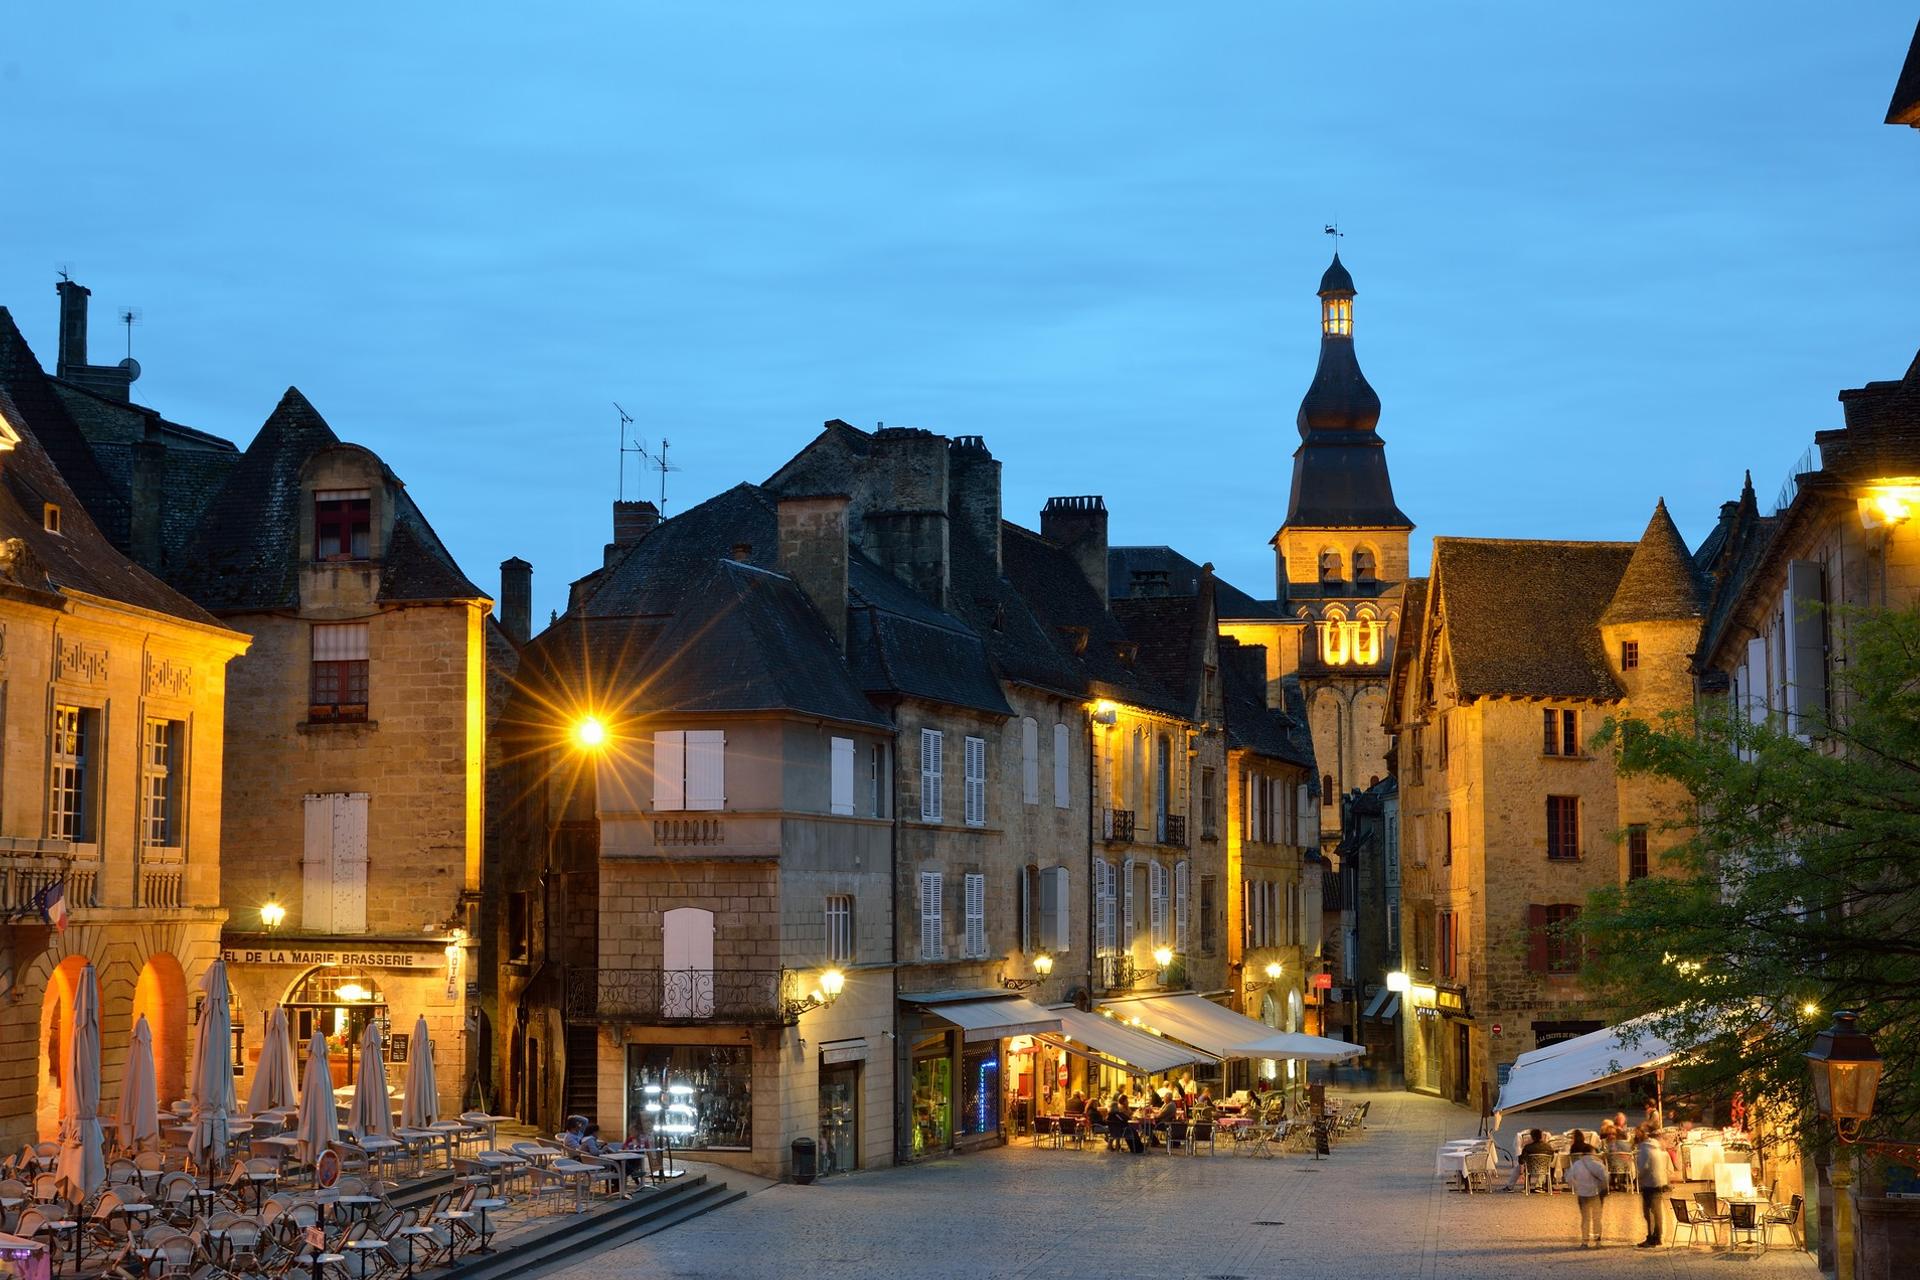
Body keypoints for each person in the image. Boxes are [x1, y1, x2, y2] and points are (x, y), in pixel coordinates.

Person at [1634, 1125, 1674, 1247]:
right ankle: (1658, 1236)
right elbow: (1667, 1167)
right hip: (1659, 1182)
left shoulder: (1644, 1150)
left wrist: (1638, 1178)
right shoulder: (1658, 1148)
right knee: (1657, 1212)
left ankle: (1651, 1238)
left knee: (1648, 1212)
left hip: (1649, 1183)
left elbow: (1643, 1167)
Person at [1566, 1143, 1609, 1248]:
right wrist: (1601, 1187)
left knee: (1585, 1218)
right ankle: (1598, 1241)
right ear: (1592, 1152)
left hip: (1582, 1194)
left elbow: (1568, 1178)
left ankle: (1585, 1241)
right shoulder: (1598, 1164)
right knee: (1597, 1218)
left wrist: (1577, 1186)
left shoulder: (1577, 1164)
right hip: (1595, 1194)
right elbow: (1606, 1178)